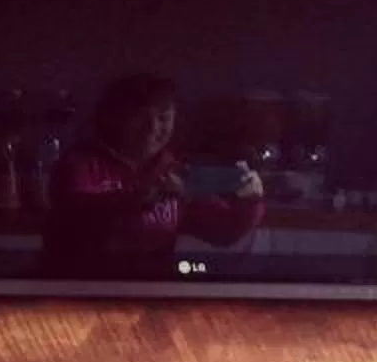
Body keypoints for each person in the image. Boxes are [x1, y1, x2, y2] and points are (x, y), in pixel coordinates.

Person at [42, 73, 264, 272]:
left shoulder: (175, 170)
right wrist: (138, 198)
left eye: (163, 118)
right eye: (139, 117)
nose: (152, 128)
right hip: (75, 289)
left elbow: (222, 232)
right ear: (113, 117)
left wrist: (250, 200)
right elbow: (77, 217)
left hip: (150, 293)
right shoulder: (78, 162)